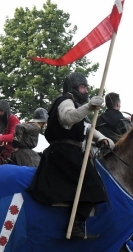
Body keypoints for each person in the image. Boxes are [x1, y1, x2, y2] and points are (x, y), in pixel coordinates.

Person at [27, 72, 114, 240]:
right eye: (83, 87)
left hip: (70, 152)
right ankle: (74, 226)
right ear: (73, 88)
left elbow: (87, 127)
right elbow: (67, 119)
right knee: (94, 186)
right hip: (63, 153)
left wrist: (102, 138)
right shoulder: (65, 101)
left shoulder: (76, 106)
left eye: (86, 87)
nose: (86, 90)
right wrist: (89, 106)